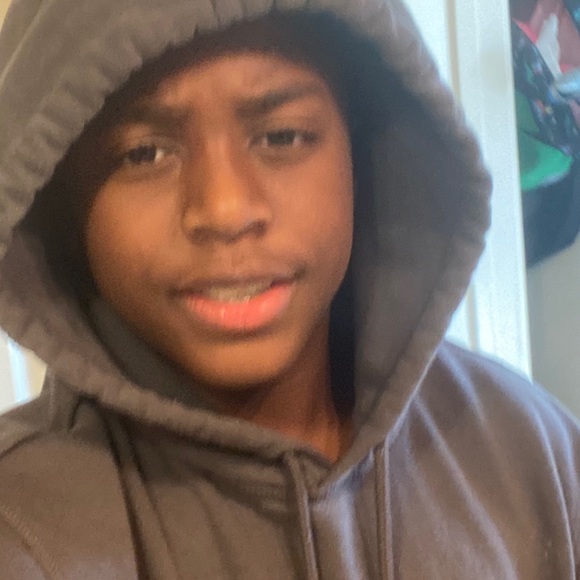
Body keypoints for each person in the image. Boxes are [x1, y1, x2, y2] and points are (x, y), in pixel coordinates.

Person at [0, 0, 577, 578]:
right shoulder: (22, 525)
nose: (226, 210)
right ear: (62, 200)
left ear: (361, 156)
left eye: (281, 136)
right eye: (144, 153)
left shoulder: (532, 451)